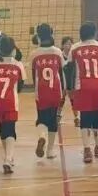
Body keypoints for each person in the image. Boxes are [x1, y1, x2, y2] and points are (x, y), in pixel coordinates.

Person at [69, 21, 98, 164]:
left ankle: (87, 149)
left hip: (82, 86)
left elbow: (70, 70)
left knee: (85, 117)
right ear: (94, 32)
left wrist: (69, 89)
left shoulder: (75, 48)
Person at [0, 35, 26, 174]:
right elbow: (20, 86)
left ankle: (8, 157)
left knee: (3, 129)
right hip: (11, 101)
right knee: (10, 129)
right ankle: (8, 159)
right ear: (13, 49)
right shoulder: (18, 65)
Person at [31, 23, 66, 160]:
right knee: (53, 121)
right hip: (56, 90)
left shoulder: (34, 54)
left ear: (38, 36)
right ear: (51, 34)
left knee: (41, 119)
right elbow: (61, 73)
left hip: (42, 91)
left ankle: (42, 137)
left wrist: (36, 92)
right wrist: (64, 91)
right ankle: (50, 151)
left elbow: (34, 76)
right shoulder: (57, 52)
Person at [61, 36, 79, 127]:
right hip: (62, 81)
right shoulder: (60, 55)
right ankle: (58, 116)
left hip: (71, 81)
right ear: (62, 45)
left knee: (73, 100)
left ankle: (77, 118)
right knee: (61, 99)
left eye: (70, 44)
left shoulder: (74, 55)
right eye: (66, 44)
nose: (68, 46)